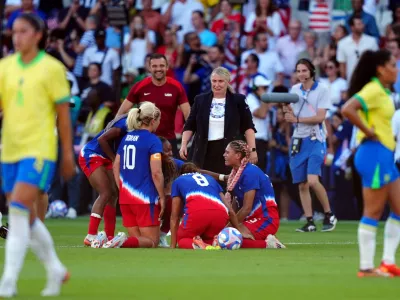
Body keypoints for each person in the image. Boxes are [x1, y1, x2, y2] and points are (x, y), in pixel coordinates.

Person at [0, 13, 76, 297]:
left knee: (17, 209)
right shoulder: (5, 67)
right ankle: (55, 269)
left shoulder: (52, 69)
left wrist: (67, 153)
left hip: (39, 149)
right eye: (13, 32)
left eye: (22, 31)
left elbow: (64, 116)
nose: (16, 37)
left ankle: (7, 282)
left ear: (38, 35)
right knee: (25, 217)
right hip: (10, 150)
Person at [342, 50, 400, 277]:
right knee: (373, 211)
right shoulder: (374, 90)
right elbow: (347, 108)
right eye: (393, 65)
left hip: (384, 155)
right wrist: (367, 131)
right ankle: (366, 267)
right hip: (373, 154)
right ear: (380, 68)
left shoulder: (383, 91)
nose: (396, 70)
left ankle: (387, 262)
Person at [102, 102, 172, 249]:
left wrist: (121, 188)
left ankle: (115, 240)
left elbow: (116, 165)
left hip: (126, 198)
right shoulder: (153, 140)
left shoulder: (126, 138)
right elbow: (156, 172)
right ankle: (120, 240)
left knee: (138, 242)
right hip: (144, 199)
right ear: (153, 121)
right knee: (152, 242)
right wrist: (162, 196)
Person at [283, 58, 337, 232]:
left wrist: (296, 119)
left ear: (312, 72)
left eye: (304, 70)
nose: (301, 74)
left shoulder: (322, 89)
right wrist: (286, 110)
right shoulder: (294, 90)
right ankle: (310, 221)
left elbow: (321, 117)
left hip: (316, 139)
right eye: (298, 71)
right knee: (302, 184)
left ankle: (329, 214)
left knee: (313, 181)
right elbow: (290, 114)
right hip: (298, 139)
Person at [180, 66, 257, 176]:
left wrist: (253, 150)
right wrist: (183, 144)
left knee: (226, 185)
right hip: (202, 150)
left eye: (220, 81)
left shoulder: (238, 100)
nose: (217, 85)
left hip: (228, 151)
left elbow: (248, 127)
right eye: (214, 81)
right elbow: (190, 125)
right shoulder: (200, 100)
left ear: (227, 81)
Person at [117, 53, 190, 157]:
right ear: (149, 68)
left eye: (161, 66)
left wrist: (189, 136)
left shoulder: (176, 86)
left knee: (171, 173)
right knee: (145, 172)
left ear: (167, 67)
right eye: (154, 66)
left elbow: (188, 114)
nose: (158, 69)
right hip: (143, 140)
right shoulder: (139, 86)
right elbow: (121, 113)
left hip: (168, 140)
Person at [170, 162, 251, 249]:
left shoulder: (178, 180)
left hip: (197, 213)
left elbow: (175, 216)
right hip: (220, 214)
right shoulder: (210, 179)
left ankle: (198, 245)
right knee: (209, 237)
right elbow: (230, 210)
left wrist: (172, 245)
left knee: (183, 239)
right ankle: (214, 241)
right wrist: (238, 229)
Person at [223, 140, 285, 249]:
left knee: (229, 239)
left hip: (266, 219)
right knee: (226, 233)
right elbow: (235, 205)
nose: (224, 155)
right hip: (253, 218)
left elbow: (247, 208)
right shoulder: (237, 173)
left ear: (237, 155)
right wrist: (228, 225)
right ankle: (267, 238)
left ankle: (270, 244)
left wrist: (228, 229)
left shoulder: (249, 173)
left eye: (227, 152)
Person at [80, 114, 128, 247]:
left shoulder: (134, 125)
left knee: (113, 195)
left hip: (106, 156)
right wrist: (113, 159)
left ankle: (109, 236)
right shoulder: (124, 125)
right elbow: (102, 140)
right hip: (92, 153)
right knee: (105, 193)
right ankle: (91, 235)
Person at [158, 137, 184, 247]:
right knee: (149, 241)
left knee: (174, 203)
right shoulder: (145, 163)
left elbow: (193, 169)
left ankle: (162, 235)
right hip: (145, 200)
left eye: (171, 150)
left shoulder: (172, 162)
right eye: (167, 150)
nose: (171, 153)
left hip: (161, 199)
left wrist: (222, 177)